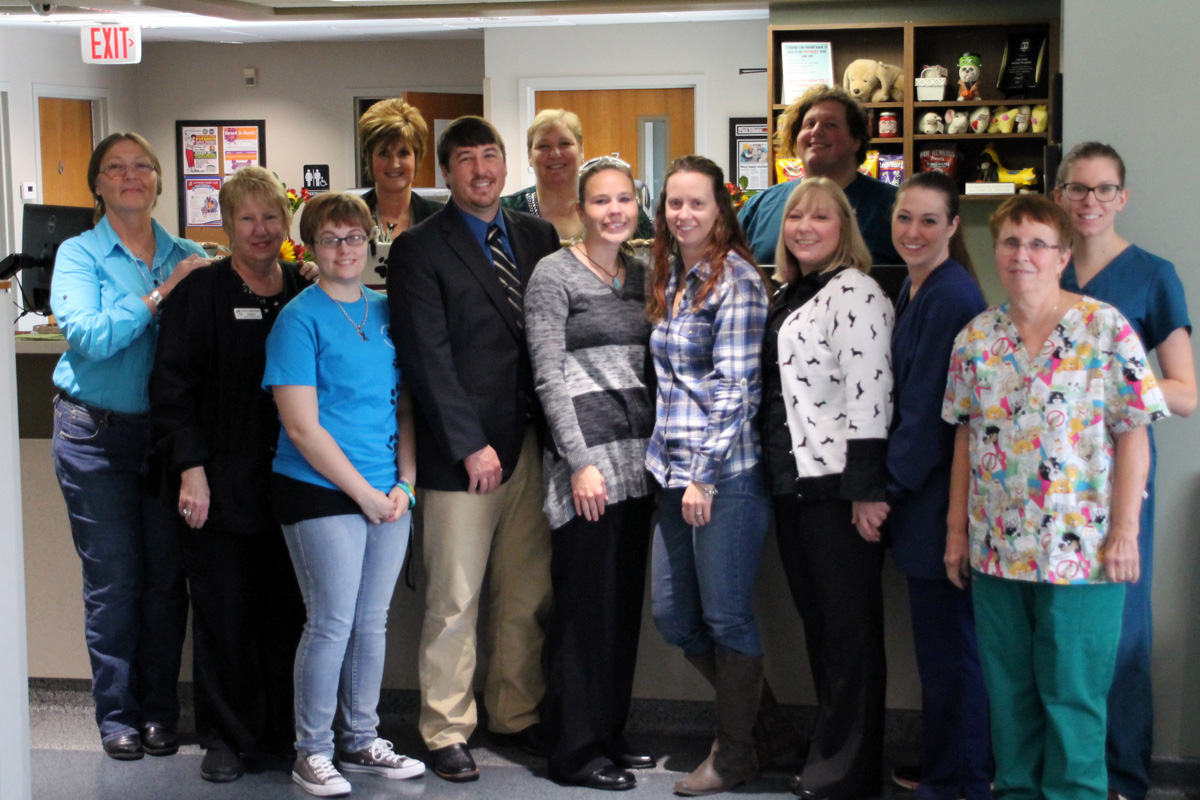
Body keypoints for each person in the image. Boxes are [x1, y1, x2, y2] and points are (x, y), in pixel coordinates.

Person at [942, 195, 1168, 800]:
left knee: (1073, 697)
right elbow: (966, 438)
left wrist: (1124, 532)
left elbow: (1134, 437)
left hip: (1083, 553)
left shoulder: (1106, 328)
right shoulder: (976, 339)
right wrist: (956, 534)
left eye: (1039, 243)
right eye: (1012, 242)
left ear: (1063, 255)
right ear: (997, 251)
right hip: (996, 549)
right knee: (1010, 698)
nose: (1023, 255)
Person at [386, 116, 561, 782]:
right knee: (454, 599)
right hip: (464, 460)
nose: (481, 170)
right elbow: (427, 359)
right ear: (448, 171)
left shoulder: (537, 236)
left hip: (531, 446)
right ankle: (446, 727)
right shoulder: (420, 249)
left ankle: (515, 714)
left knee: (525, 593)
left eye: (491, 156)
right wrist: (470, 446)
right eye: (466, 160)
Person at [49, 132, 210, 760]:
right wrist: (163, 294)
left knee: (167, 581)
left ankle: (160, 714)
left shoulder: (188, 251)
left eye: (142, 166)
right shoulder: (79, 255)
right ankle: (116, 715)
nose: (131, 176)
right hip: (96, 436)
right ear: (97, 183)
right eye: (116, 168)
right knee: (115, 581)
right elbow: (88, 337)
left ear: (159, 180)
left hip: (167, 441)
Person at [149, 167, 311, 782]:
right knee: (224, 612)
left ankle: (277, 733)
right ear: (227, 225)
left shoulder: (301, 287)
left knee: (286, 613)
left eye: (271, 217)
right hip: (216, 483)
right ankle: (223, 737)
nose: (261, 229)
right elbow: (172, 391)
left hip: (292, 485)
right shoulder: (202, 293)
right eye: (247, 218)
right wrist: (191, 471)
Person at [263, 192, 424, 797]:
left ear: (370, 243)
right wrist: (363, 494)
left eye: (354, 237)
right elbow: (303, 427)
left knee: (372, 622)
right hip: (319, 490)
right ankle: (313, 751)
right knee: (331, 622)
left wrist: (404, 483)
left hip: (387, 491)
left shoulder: (387, 311)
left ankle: (361, 739)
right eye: (330, 239)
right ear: (309, 248)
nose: (344, 249)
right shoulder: (298, 319)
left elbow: (405, 404)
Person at [1053, 142, 1195, 800]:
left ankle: (1123, 780)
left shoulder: (1153, 276)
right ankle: (1063, 776)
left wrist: (1103, 393)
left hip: (1120, 480)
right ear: (1059, 194)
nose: (1090, 201)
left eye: (1104, 189)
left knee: (1120, 633)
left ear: (1123, 197)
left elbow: (1188, 392)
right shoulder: (1042, 271)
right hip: (1047, 484)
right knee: (1057, 636)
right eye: (1078, 189)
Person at [759, 177, 893, 800]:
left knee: (849, 637)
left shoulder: (856, 292)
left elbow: (873, 397)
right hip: (797, 487)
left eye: (820, 217)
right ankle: (832, 755)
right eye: (795, 217)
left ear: (845, 228)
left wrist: (867, 492)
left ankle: (848, 770)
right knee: (823, 632)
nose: (805, 227)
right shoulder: (793, 292)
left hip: (840, 491)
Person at [525, 156, 656, 791]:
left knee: (621, 607)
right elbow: (547, 375)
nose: (613, 211)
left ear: (637, 206)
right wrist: (578, 464)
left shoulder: (646, 272)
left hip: (640, 465)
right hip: (588, 469)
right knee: (582, 610)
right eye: (600, 201)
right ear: (580, 210)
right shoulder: (554, 274)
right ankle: (575, 752)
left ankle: (607, 729)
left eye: (623, 200)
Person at [645, 155, 773, 796]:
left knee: (726, 618)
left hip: (723, 478)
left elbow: (735, 390)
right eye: (674, 204)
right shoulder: (672, 275)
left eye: (697, 203)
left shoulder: (736, 281)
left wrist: (703, 476)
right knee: (675, 616)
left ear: (721, 209)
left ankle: (735, 754)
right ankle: (763, 728)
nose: (684, 214)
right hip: (671, 472)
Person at [884, 171, 991, 800]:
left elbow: (926, 413)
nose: (914, 232)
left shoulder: (951, 296)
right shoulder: (915, 288)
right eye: (905, 218)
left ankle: (961, 779)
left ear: (953, 226)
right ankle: (946, 763)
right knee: (940, 650)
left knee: (954, 651)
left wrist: (884, 490)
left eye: (929, 220)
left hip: (938, 501)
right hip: (922, 498)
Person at [736, 84, 900, 266]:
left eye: (830, 125)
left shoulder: (895, 207)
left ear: (856, 141)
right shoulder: (759, 208)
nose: (816, 131)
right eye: (809, 124)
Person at [501, 108, 653, 242]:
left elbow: (653, 260)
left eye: (564, 144)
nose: (555, 154)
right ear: (530, 157)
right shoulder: (505, 212)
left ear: (581, 152)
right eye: (544, 146)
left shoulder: (619, 208)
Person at [356, 98, 444, 243]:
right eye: (384, 153)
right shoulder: (347, 217)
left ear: (417, 156)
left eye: (403, 153)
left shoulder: (441, 219)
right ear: (368, 157)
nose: (394, 164)